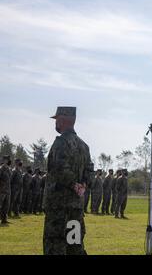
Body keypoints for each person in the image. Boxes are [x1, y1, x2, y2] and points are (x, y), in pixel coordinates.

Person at [43, 106, 91, 255]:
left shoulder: (61, 143)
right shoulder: (84, 146)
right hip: (76, 207)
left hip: (59, 208)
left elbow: (59, 169)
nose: (55, 123)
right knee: (74, 245)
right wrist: (82, 185)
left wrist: (72, 184)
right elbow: (90, 172)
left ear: (63, 120)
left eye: (57, 120)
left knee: (55, 245)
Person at [0, 155, 12, 224]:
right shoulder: (1, 168)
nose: (8, 161)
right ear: (4, 160)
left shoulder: (9, 169)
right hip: (2, 190)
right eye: (7, 159)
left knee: (6, 206)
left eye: (8, 159)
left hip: (8, 190)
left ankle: (4, 219)